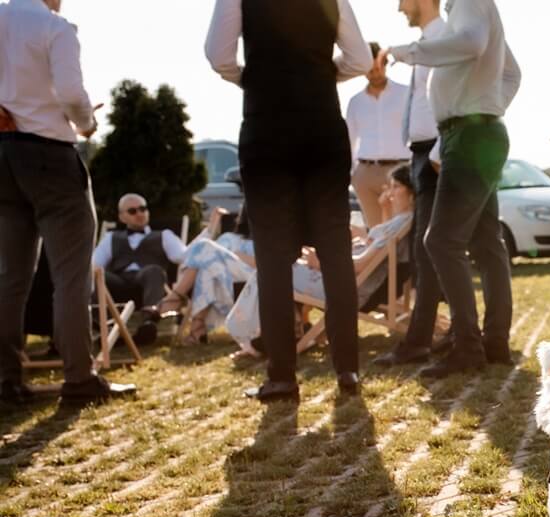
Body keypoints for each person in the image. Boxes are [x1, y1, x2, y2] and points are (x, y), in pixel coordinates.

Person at [206, 0, 373, 402]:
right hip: (321, 127)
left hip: (267, 129)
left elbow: (218, 56)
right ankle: (348, 369)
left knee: (274, 259)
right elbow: (361, 59)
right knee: (335, 253)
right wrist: (319, 76)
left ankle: (281, 377)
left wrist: (254, 79)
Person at [0, 0, 135, 404]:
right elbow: (72, 94)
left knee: (9, 278)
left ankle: (5, 381)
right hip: (49, 154)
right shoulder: (55, 27)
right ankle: (79, 379)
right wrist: (87, 123)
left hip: (2, 156)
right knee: (70, 276)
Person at [382, 0, 521, 379]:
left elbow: (472, 44)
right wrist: (487, 108)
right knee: (486, 242)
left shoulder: (467, 2)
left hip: (469, 136)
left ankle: (468, 347)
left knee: (441, 241)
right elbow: (511, 73)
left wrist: (405, 53)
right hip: (473, 133)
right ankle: (492, 343)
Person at [227, 165, 416, 360]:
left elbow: (361, 265)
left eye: (395, 187)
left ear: (412, 193)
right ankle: (284, 333)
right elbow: (378, 248)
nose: (389, 193)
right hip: (352, 283)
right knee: (283, 267)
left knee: (272, 273)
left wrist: (322, 261)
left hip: (350, 288)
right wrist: (384, 208)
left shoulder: (401, 224)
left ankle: (254, 339)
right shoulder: (401, 221)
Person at [373, 0, 450, 368]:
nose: (399, 7)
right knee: (430, 249)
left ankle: (424, 340)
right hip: (421, 155)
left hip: (433, 155)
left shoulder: (440, 41)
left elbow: (448, 102)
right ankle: (446, 334)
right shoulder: (426, 43)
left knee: (429, 249)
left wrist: (436, 150)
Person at [159, 205, 256, 345]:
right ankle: (198, 326)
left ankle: (176, 300)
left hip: (250, 291)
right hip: (223, 292)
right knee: (207, 267)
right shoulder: (229, 238)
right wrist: (211, 228)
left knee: (205, 247)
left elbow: (268, 266)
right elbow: (196, 257)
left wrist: (235, 257)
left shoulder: (267, 241)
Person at [346, 42, 411, 229]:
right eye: (370, 70)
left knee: (403, 230)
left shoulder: (404, 94)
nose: (374, 74)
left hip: (401, 171)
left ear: (384, 64)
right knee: (376, 233)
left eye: (377, 68)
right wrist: (353, 174)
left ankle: (404, 260)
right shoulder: (355, 102)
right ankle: (381, 261)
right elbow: (349, 140)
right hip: (366, 173)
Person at [92, 194, 187, 320]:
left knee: (154, 271)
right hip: (119, 285)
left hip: (150, 285)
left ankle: (149, 323)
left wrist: (207, 234)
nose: (139, 214)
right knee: (97, 275)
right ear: (122, 217)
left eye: (143, 209)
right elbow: (95, 264)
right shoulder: (111, 238)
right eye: (132, 211)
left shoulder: (164, 235)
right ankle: (102, 325)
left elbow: (184, 256)